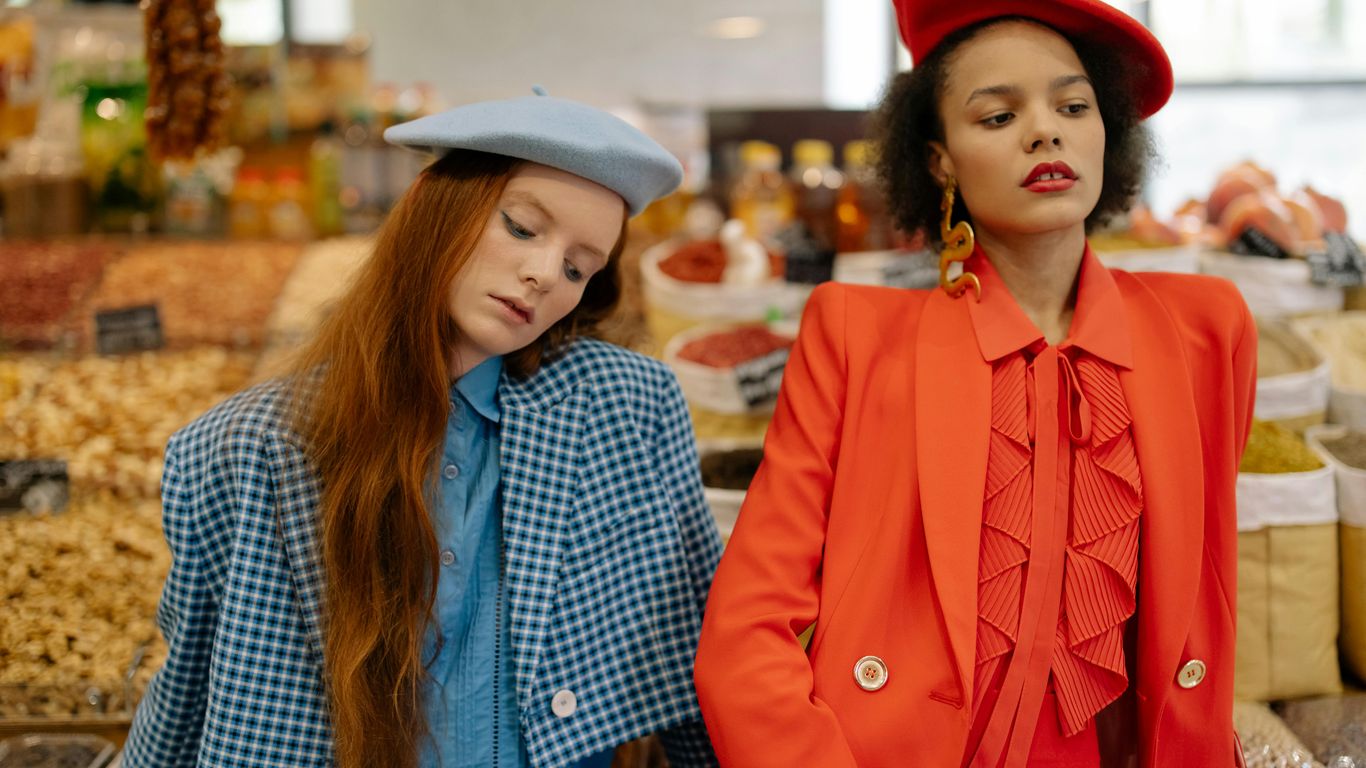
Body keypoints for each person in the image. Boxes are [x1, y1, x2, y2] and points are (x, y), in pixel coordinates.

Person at [693, 3, 1256, 767]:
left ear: (1106, 131)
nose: (1045, 132)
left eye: (1073, 106)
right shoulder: (856, 334)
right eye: (996, 116)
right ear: (940, 161)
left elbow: (1203, 596)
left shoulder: (1205, 330)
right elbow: (747, 625)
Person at [124, 88, 723, 768]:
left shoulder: (626, 408)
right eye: (523, 228)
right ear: (431, 209)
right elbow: (190, 684)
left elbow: (691, 642)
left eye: (577, 268)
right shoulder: (244, 448)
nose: (541, 275)